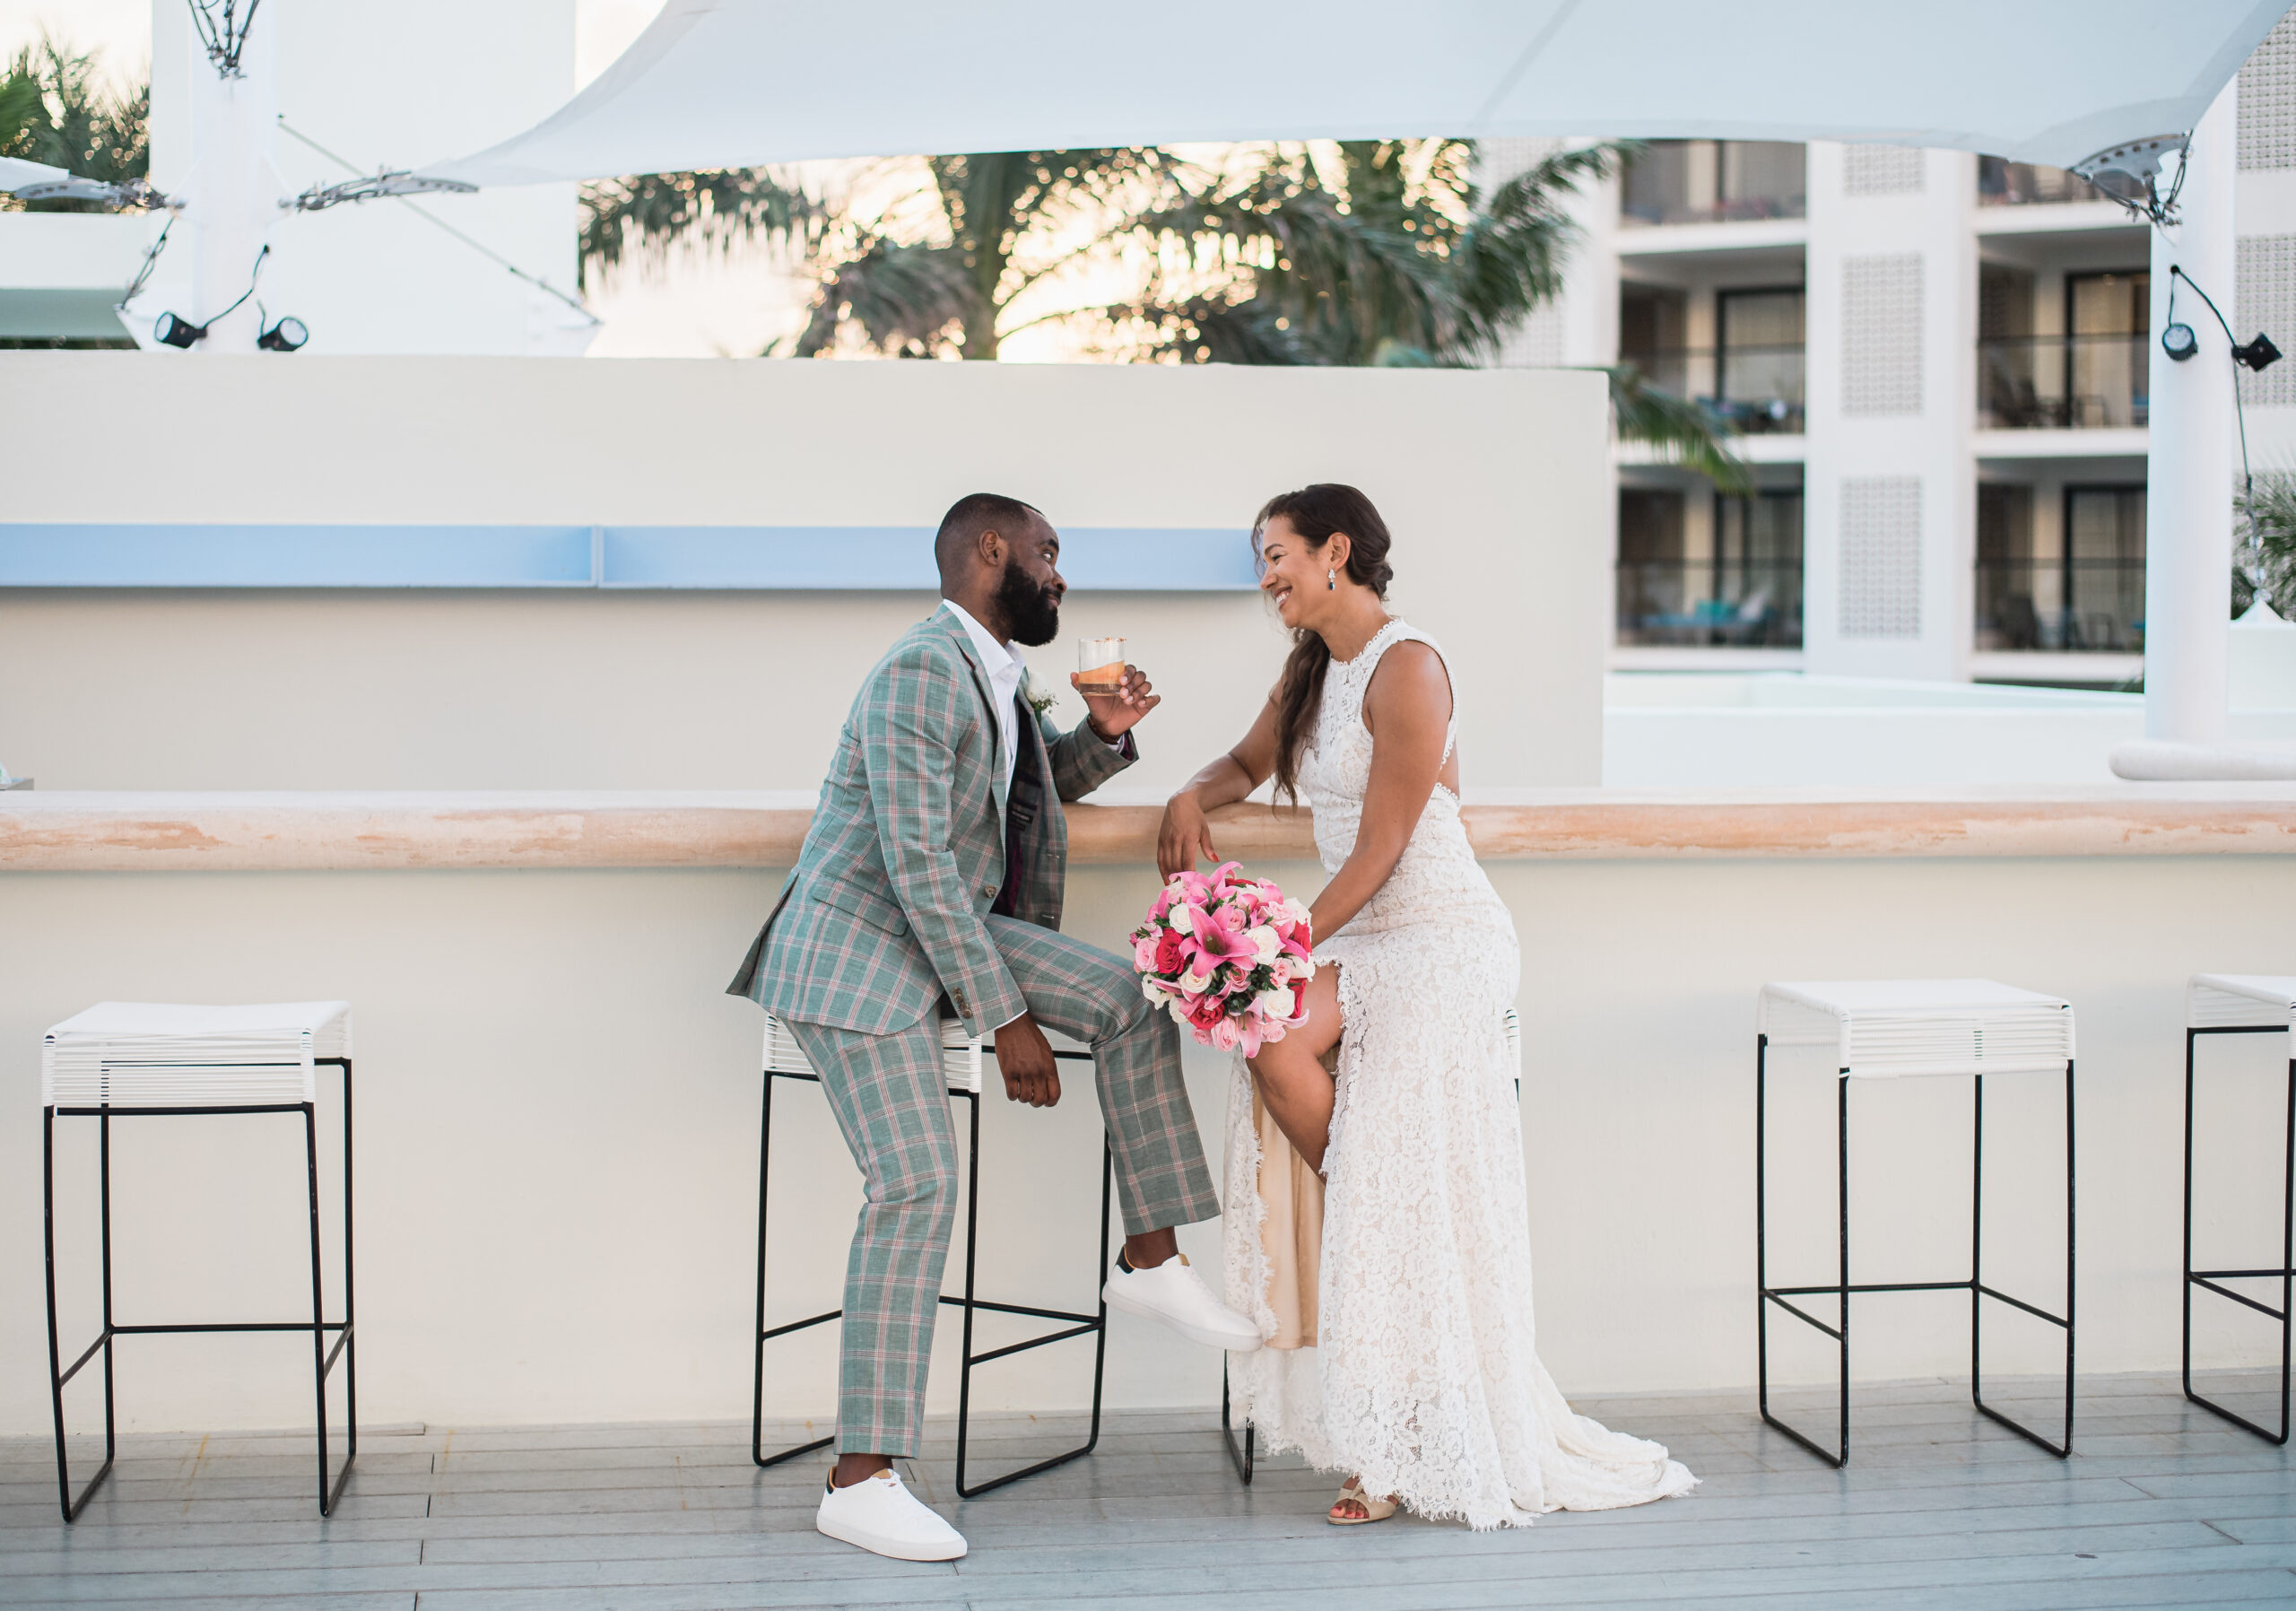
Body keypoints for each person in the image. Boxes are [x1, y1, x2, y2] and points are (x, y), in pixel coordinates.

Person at [727, 492, 1261, 1563]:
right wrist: (1004, 1014)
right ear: (989, 552)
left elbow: (1016, 800)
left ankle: (1149, 1255)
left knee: (1125, 995)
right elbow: (919, 858)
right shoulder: (923, 668)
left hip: (951, 929)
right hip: (865, 949)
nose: (1060, 575)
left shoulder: (992, 671)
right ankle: (861, 1473)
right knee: (916, 1181)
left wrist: (1101, 739)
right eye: (1048, 553)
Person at [1158, 483, 1696, 1530]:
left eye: (1275, 553)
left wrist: (1280, 945)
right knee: (1266, 1040)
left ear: (1334, 551)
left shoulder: (1409, 663)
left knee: (1272, 1019)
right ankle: (1382, 1206)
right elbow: (1244, 762)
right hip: (1364, 936)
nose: (1264, 574)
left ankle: (1401, 1441)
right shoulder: (1308, 668)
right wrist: (1189, 794)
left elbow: (1386, 843)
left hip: (1444, 938)